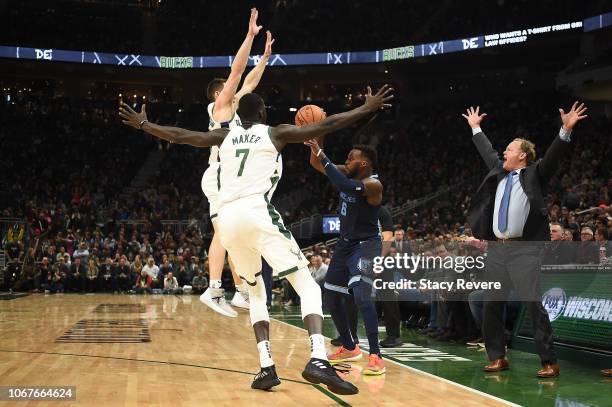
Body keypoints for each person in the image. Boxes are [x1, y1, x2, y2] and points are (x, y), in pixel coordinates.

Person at [120, 82, 393, 394]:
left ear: (239, 113)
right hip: (256, 211)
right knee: (307, 286)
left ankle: (266, 367)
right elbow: (329, 123)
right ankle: (318, 358)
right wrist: (366, 109)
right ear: (263, 113)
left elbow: (181, 136)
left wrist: (144, 124)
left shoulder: (223, 135)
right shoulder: (274, 133)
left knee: (257, 294)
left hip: (227, 221)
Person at [462, 102, 588, 378]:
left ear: (522, 156)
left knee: (533, 302)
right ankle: (497, 356)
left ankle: (549, 360)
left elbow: (554, 156)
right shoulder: (498, 170)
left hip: (524, 250)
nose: (503, 152)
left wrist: (565, 130)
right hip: (496, 250)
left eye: (509, 149)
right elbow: (487, 150)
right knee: (492, 302)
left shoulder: (534, 174)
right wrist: (475, 127)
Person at [199, 9, 275, 317]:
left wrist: (266, 58)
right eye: (230, 88)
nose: (236, 89)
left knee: (233, 234)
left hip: (229, 177)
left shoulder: (234, 105)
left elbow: (249, 82)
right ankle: (215, 289)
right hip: (218, 175)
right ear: (220, 93)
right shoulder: (219, 108)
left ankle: (242, 291)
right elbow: (237, 72)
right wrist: (250, 36)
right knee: (223, 234)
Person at [305, 136, 387, 375]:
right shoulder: (348, 172)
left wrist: (322, 154)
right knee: (330, 296)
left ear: (363, 164)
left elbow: (344, 185)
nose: (346, 161)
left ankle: (376, 356)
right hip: (344, 244)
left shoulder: (373, 185)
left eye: (351, 158)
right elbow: (317, 165)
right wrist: (316, 139)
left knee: (362, 296)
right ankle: (350, 347)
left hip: (365, 245)